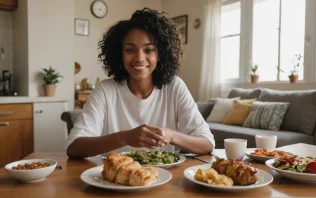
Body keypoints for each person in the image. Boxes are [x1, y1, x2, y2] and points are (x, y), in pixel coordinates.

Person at [66, 8, 215, 158]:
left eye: (148, 50)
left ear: (159, 55)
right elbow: (73, 147)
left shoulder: (174, 87)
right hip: (112, 177)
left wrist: (171, 136)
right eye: (130, 50)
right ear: (120, 54)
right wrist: (125, 137)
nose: (139, 58)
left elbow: (207, 143)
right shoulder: (105, 90)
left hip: (164, 177)